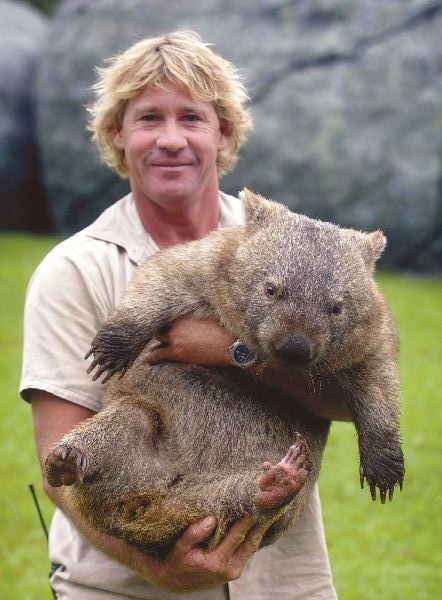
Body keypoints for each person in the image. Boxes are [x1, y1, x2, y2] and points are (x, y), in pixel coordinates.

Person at [21, 31, 347, 599]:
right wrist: (157, 567)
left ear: (223, 133)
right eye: (149, 118)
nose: (171, 140)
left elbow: (349, 400)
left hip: (282, 583)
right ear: (117, 135)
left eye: (191, 119)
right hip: (124, 586)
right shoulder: (73, 271)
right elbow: (62, 461)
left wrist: (231, 351)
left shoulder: (293, 253)